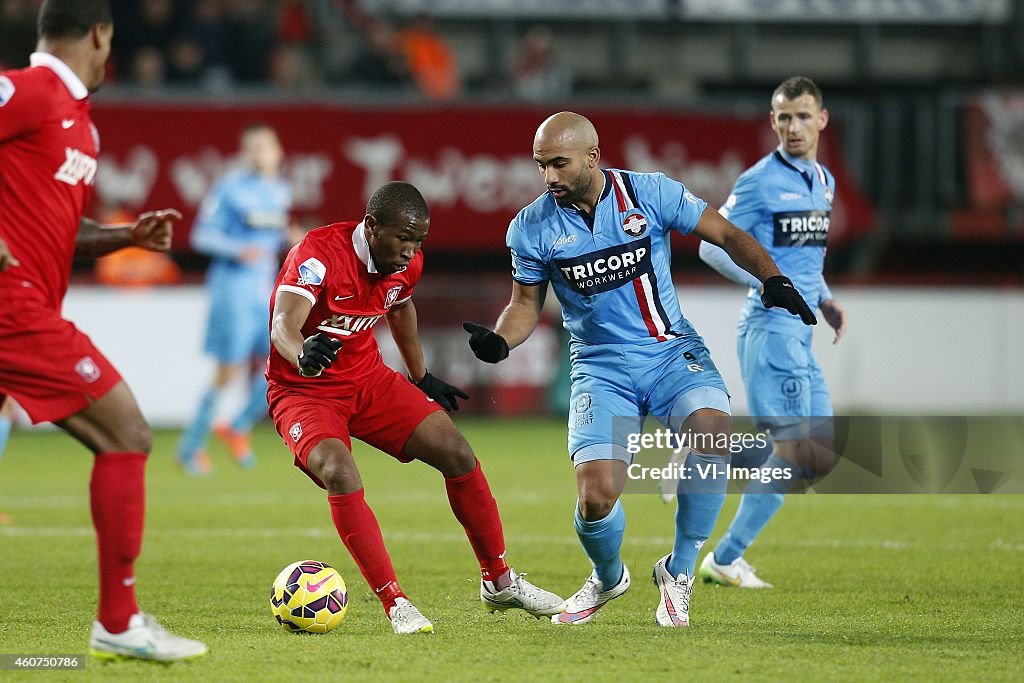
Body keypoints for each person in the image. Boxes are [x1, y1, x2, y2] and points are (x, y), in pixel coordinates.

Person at [462, 112, 816, 628]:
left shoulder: (650, 193)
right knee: (596, 493)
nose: (549, 178)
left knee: (713, 435)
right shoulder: (531, 227)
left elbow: (723, 232)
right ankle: (608, 577)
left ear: (592, 157)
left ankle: (680, 572)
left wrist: (772, 278)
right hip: (600, 367)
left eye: (559, 164)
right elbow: (523, 305)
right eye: (541, 167)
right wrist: (501, 341)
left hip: (670, 352)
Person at [0, 0, 206, 661]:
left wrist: (123, 237)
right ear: (98, 33)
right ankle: (118, 620)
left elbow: (60, 230)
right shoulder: (30, 91)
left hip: (29, 306)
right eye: (110, 40)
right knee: (127, 431)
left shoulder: (80, 125)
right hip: (12, 308)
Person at [267, 180, 564, 635]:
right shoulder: (317, 254)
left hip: (368, 380)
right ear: (371, 227)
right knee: (340, 471)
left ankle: (499, 580)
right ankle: (395, 602)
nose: (410, 251)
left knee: (458, 453)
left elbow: (400, 310)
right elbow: (283, 322)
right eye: (403, 238)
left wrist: (420, 375)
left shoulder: (407, 265)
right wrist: (301, 351)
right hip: (303, 391)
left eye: (418, 241)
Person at [695, 76, 846, 588]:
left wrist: (823, 298)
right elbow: (711, 247)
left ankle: (713, 461)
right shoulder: (760, 181)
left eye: (803, 116)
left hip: (799, 332)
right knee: (794, 450)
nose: (793, 126)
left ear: (821, 119)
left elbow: (806, 258)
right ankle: (723, 550)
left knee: (817, 456)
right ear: (772, 122)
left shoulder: (823, 181)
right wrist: (766, 284)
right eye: (784, 117)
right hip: (771, 328)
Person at [177, 122, 292, 475]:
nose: (260, 154)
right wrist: (237, 249)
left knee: (282, 361)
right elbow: (200, 235)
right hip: (232, 290)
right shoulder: (229, 188)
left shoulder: (280, 191)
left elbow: (271, 237)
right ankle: (191, 448)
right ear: (245, 154)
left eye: (265, 147)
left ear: (278, 153)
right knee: (229, 370)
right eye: (253, 147)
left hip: (265, 290)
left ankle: (238, 424)